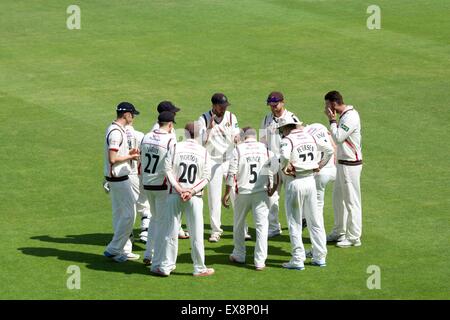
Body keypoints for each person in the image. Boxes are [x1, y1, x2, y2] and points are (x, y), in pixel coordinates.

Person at [154, 122, 214, 277]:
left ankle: (166, 266)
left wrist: (180, 189)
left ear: (185, 133)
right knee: (196, 232)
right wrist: (191, 191)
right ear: (199, 134)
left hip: (175, 194)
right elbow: (207, 177)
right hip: (195, 197)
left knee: (171, 230)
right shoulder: (204, 152)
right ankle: (199, 268)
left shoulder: (175, 147)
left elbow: (167, 170)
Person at [278, 117, 333, 269]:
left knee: (294, 222)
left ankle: (297, 259)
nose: (281, 132)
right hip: (310, 181)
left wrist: (285, 168)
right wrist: (319, 165)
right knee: (315, 220)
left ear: (286, 127)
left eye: (281, 129)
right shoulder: (310, 136)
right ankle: (320, 256)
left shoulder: (287, 140)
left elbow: (284, 156)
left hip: (295, 182)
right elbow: (329, 150)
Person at [222, 127, 277, 271]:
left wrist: (226, 193)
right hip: (262, 192)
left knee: (239, 224)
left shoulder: (238, 150)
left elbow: (231, 173)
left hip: (243, 193)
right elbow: (273, 169)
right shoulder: (265, 150)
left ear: (244, 137)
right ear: (255, 137)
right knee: (262, 226)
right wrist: (273, 186)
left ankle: (239, 254)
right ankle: (260, 261)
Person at [197, 93, 241, 243]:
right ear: (214, 105)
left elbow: (236, 134)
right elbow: (201, 142)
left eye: (225, 106)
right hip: (212, 161)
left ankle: (242, 228)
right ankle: (216, 231)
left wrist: (237, 138)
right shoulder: (202, 119)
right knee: (214, 198)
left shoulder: (231, 117)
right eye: (221, 106)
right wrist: (210, 128)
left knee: (236, 193)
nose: (223, 109)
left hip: (229, 160)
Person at [324, 91, 363, 248]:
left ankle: (354, 237)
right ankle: (339, 231)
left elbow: (338, 137)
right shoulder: (345, 116)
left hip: (350, 164)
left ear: (333, 104)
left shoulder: (350, 116)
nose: (325, 108)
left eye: (327, 104)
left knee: (351, 201)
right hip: (342, 163)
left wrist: (332, 120)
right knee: (337, 199)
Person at [259, 91, 301, 238]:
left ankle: (295, 227)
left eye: (275, 105)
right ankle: (273, 227)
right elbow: (263, 140)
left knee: (292, 197)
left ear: (283, 102)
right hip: (272, 163)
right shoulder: (266, 119)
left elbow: (299, 139)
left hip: (288, 164)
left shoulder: (292, 118)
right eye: (270, 105)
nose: (273, 108)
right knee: (271, 196)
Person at [103, 102, 141, 262]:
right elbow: (112, 158)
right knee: (129, 215)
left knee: (120, 215)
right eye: (132, 114)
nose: (133, 118)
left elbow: (116, 154)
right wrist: (130, 157)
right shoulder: (116, 133)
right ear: (126, 115)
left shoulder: (116, 130)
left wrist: (127, 153)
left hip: (115, 178)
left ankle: (123, 250)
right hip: (119, 179)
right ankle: (114, 249)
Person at [141, 111, 177, 267]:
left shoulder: (146, 136)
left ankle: (149, 253)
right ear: (170, 125)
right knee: (164, 223)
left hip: (147, 183)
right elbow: (172, 164)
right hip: (161, 186)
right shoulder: (170, 140)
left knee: (154, 219)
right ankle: (158, 259)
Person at [151, 101, 190, 240]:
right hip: (163, 176)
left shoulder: (167, 127)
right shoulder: (158, 130)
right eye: (173, 112)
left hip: (167, 172)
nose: (175, 113)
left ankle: (177, 230)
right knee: (162, 214)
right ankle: (161, 241)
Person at [125, 123, 151, 244]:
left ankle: (128, 234)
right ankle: (145, 232)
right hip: (137, 173)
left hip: (122, 174)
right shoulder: (140, 135)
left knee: (127, 205)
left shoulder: (118, 134)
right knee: (144, 202)